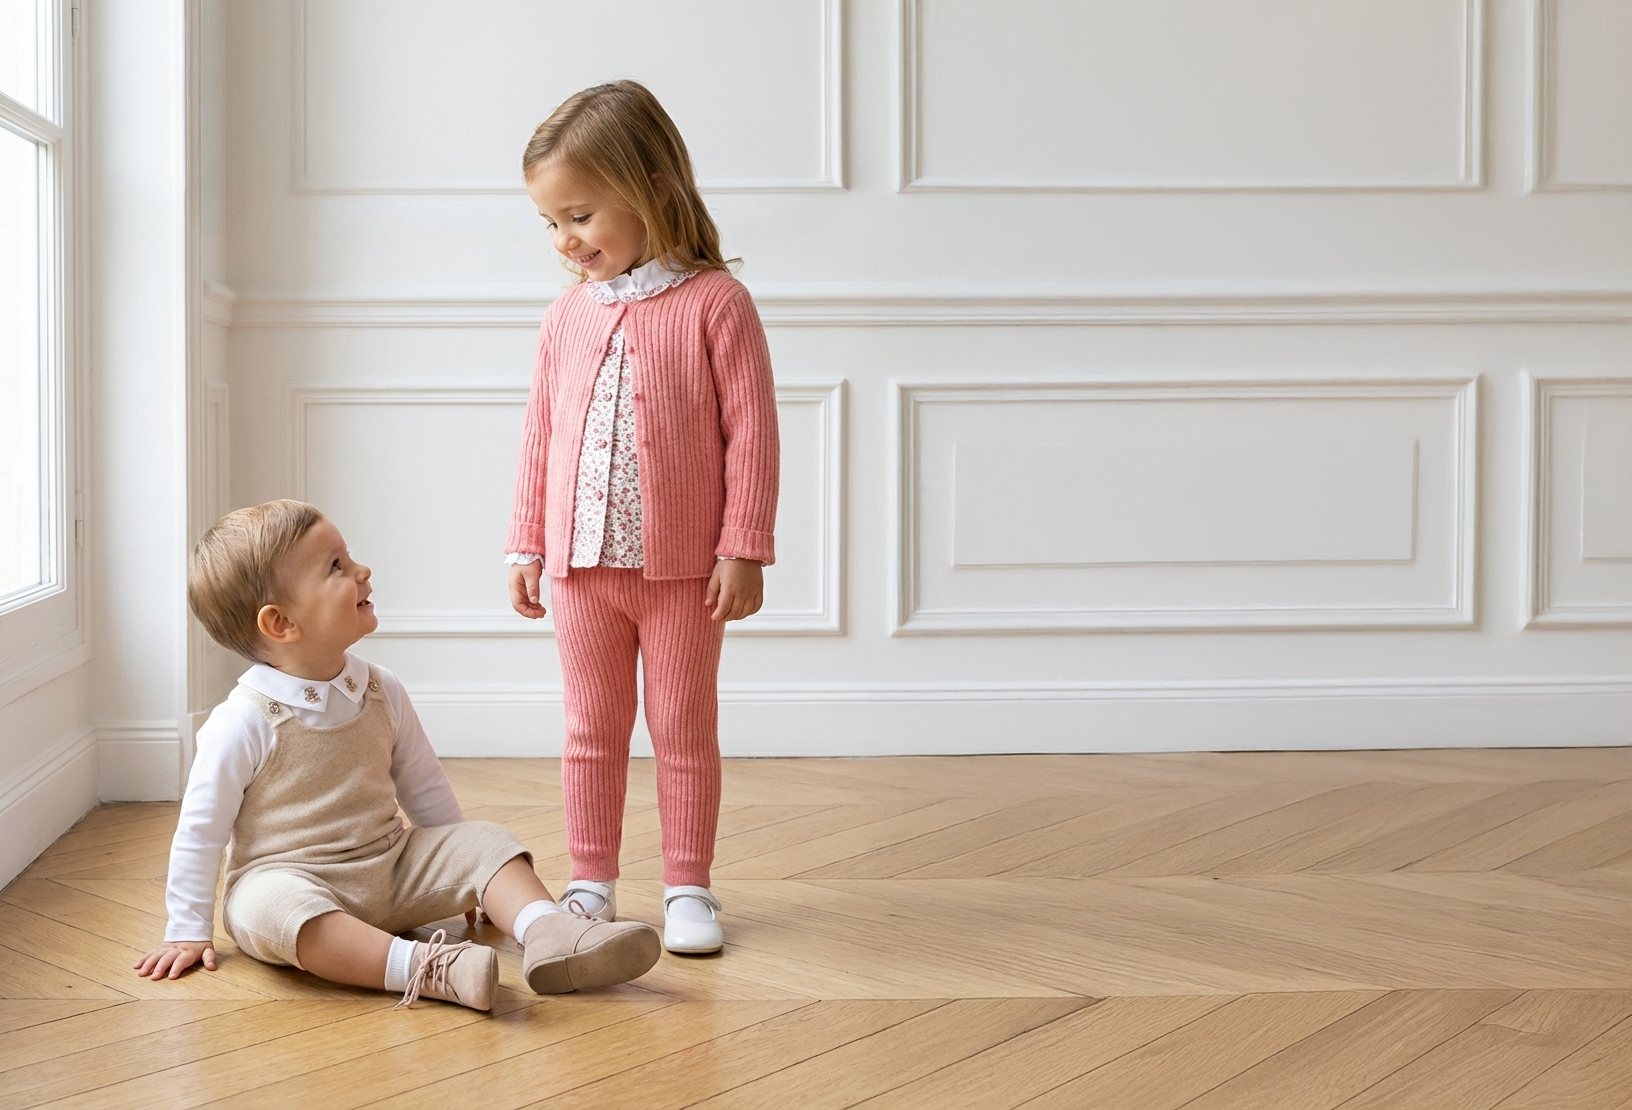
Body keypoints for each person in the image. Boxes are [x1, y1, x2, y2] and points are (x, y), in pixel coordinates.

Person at [135, 500, 662, 1010]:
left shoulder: (379, 689)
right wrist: (185, 929)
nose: (363, 569)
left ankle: (549, 932)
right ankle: (426, 968)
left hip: (391, 866)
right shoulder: (242, 721)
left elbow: (423, 784)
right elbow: (199, 833)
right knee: (263, 906)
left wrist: (466, 875)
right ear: (281, 624)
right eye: (336, 566)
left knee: (487, 840)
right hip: (297, 880)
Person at [506, 80, 779, 955]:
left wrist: (745, 547)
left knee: (682, 725)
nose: (564, 241)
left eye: (579, 216)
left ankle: (688, 887)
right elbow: (540, 436)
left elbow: (754, 436)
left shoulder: (715, 305)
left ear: (653, 187)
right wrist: (526, 542)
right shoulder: (564, 319)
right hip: (582, 573)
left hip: (683, 574)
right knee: (589, 728)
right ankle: (589, 881)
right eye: (550, 223)